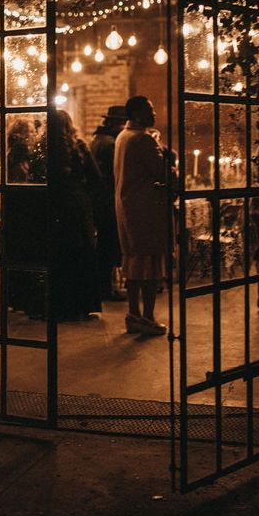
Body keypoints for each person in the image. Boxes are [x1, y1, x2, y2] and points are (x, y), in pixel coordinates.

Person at [113, 96, 170, 336]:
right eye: (150, 109)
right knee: (149, 267)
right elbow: (163, 172)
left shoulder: (122, 137)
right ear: (137, 114)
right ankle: (147, 317)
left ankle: (133, 314)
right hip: (146, 209)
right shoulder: (143, 139)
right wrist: (169, 159)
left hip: (127, 207)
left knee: (134, 264)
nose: (154, 114)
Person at [54, 109, 104, 321]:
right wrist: (86, 196)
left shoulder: (47, 149)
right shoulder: (80, 147)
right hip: (79, 205)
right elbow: (97, 179)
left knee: (61, 255)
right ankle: (83, 304)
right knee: (83, 253)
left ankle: (61, 306)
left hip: (56, 205)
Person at [90, 105, 128, 302]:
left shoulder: (98, 139)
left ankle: (105, 287)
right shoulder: (110, 144)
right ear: (114, 123)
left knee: (105, 245)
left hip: (99, 201)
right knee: (108, 246)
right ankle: (106, 288)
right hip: (107, 203)